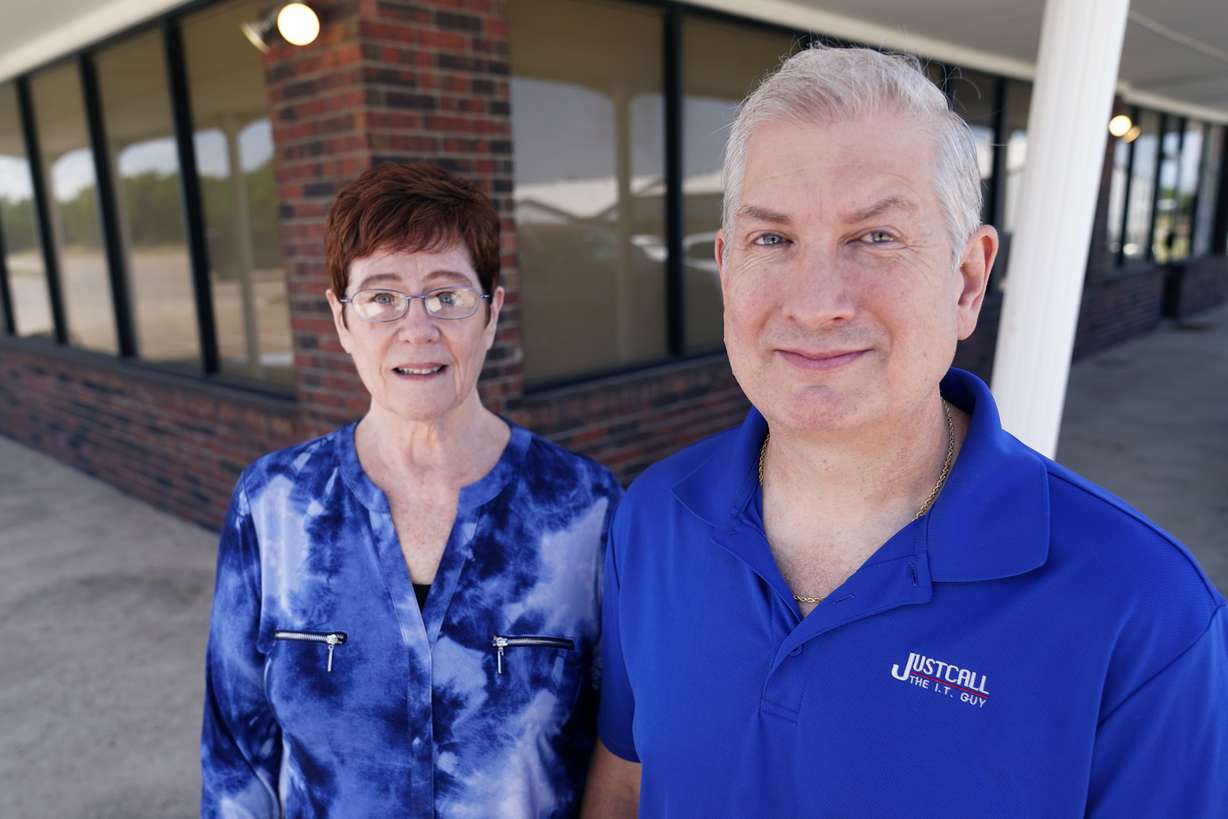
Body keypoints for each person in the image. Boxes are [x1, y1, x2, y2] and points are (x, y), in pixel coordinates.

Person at [584, 46, 1228, 818]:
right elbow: (626, 781)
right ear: (726, 272)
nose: (817, 301)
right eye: (773, 240)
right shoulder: (655, 517)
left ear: (967, 280)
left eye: (876, 237)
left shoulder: (1143, 607)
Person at [201, 163, 621, 818]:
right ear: (341, 319)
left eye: (448, 295)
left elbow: (621, 755)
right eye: (382, 296)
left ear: (492, 312)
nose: (417, 328)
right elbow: (237, 753)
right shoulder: (273, 505)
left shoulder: (582, 510)